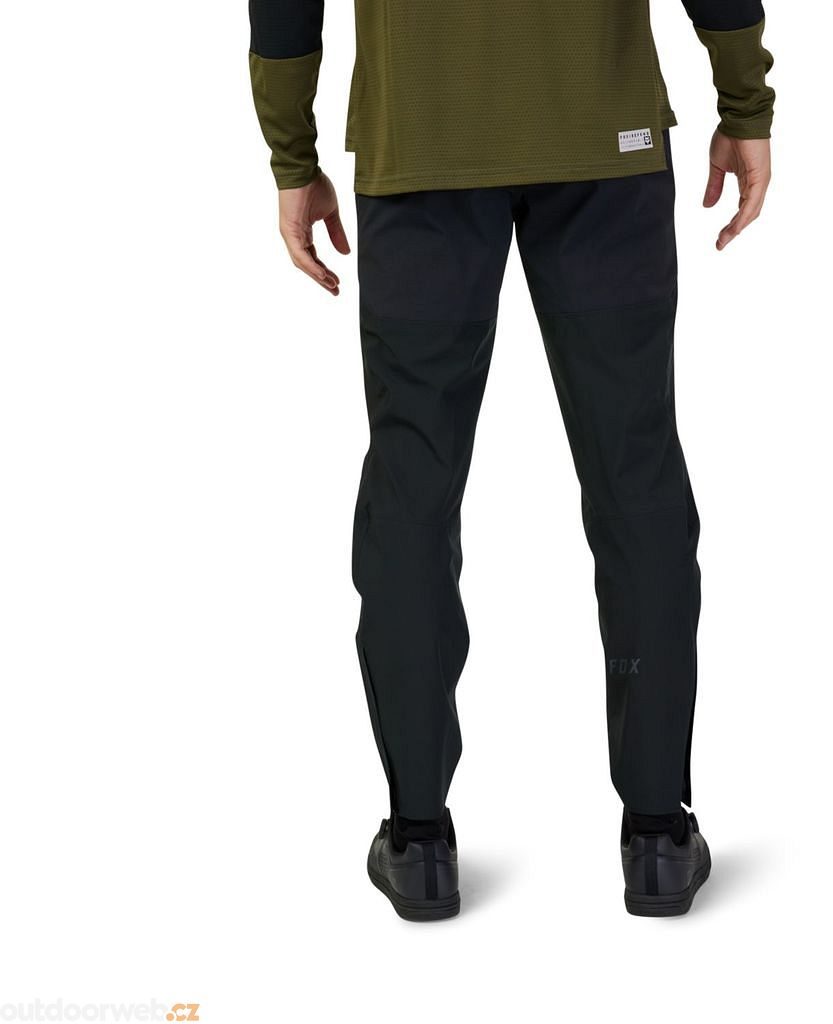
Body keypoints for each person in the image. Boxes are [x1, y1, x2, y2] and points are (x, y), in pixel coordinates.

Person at [247, 0, 775, 920]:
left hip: (420, 146)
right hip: (604, 139)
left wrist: (293, 156)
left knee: (413, 482)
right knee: (636, 472)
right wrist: (744, 100)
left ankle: (418, 841)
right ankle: (657, 836)